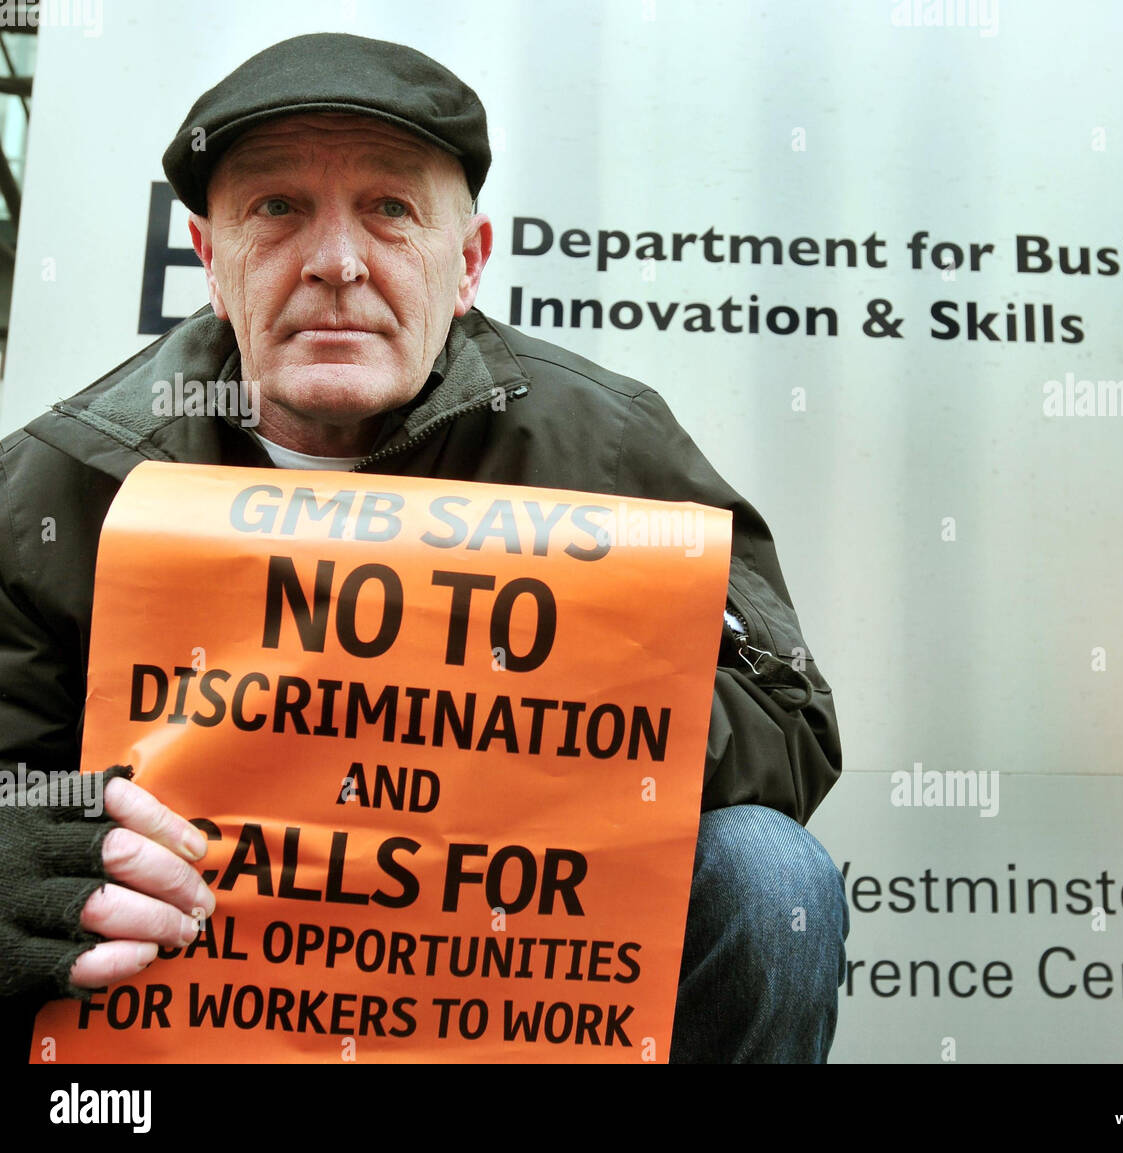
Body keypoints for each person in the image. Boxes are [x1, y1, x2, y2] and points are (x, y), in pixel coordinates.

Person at [0, 32, 847, 1063]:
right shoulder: (63, 476)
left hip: (520, 984)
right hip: (198, 999)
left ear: (469, 263)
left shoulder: (606, 446)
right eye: (275, 209)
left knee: (770, 877)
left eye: (392, 211)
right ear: (208, 259)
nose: (336, 262)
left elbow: (790, 723)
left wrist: (561, 719)